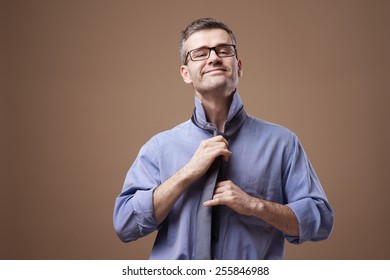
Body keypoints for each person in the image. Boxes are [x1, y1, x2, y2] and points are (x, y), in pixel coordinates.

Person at [113, 17, 334, 260]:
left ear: (238, 66)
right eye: (199, 53)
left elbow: (320, 221)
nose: (213, 58)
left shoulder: (283, 143)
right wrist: (187, 172)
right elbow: (125, 225)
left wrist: (254, 205)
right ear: (186, 73)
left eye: (223, 50)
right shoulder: (158, 148)